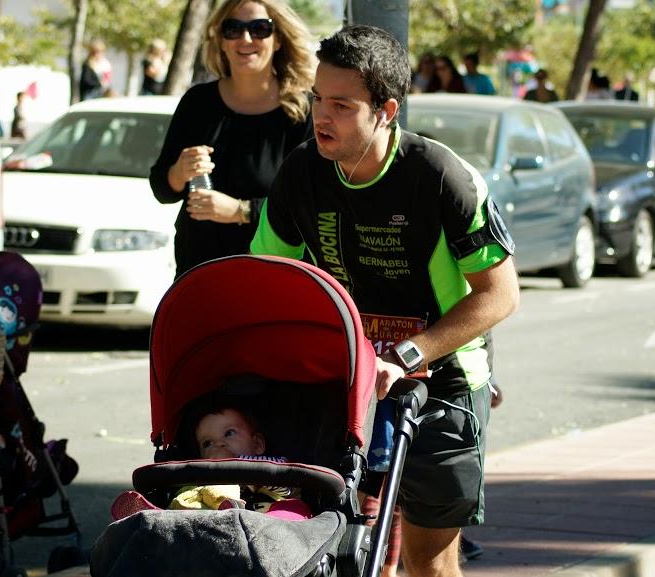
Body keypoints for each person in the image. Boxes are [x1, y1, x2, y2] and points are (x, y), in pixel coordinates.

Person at [250, 25, 520, 577]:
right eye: (317, 100)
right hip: (344, 379)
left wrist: (408, 356)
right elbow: (267, 279)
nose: (322, 116)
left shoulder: (441, 176)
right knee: (326, 542)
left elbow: (500, 295)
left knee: (429, 561)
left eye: (342, 105)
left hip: (440, 383)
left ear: (386, 110)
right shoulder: (301, 172)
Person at [149, 0, 314, 279]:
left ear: (278, 40)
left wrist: (241, 211)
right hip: (198, 273)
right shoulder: (198, 103)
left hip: (271, 275)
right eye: (233, 29)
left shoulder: (302, 110)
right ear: (222, 41)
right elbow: (162, 189)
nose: (245, 39)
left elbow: (309, 204)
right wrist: (179, 171)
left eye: (260, 28)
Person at [110, 400, 312, 520]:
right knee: (190, 496)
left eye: (229, 433)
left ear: (258, 443)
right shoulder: (203, 472)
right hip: (213, 514)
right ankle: (161, 519)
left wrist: (248, 474)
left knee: (296, 509)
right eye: (207, 443)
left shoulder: (272, 463)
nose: (218, 444)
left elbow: (288, 488)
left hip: (268, 519)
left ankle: (233, 517)